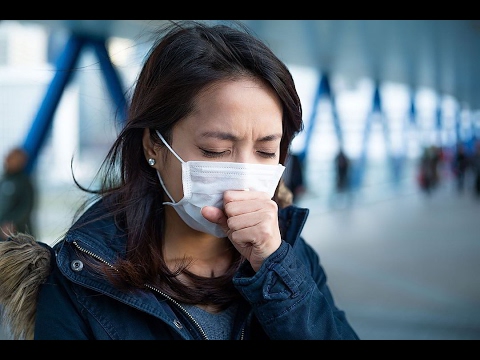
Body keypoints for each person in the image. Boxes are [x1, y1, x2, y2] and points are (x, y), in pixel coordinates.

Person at [0, 20, 359, 340]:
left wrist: (275, 270)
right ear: (154, 144)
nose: (244, 178)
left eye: (266, 152)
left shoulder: (292, 256)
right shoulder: (78, 280)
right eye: (216, 150)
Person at [0, 147, 36, 240]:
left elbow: (26, 207)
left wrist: (12, 223)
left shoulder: (24, 182)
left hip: (18, 234)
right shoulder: (3, 179)